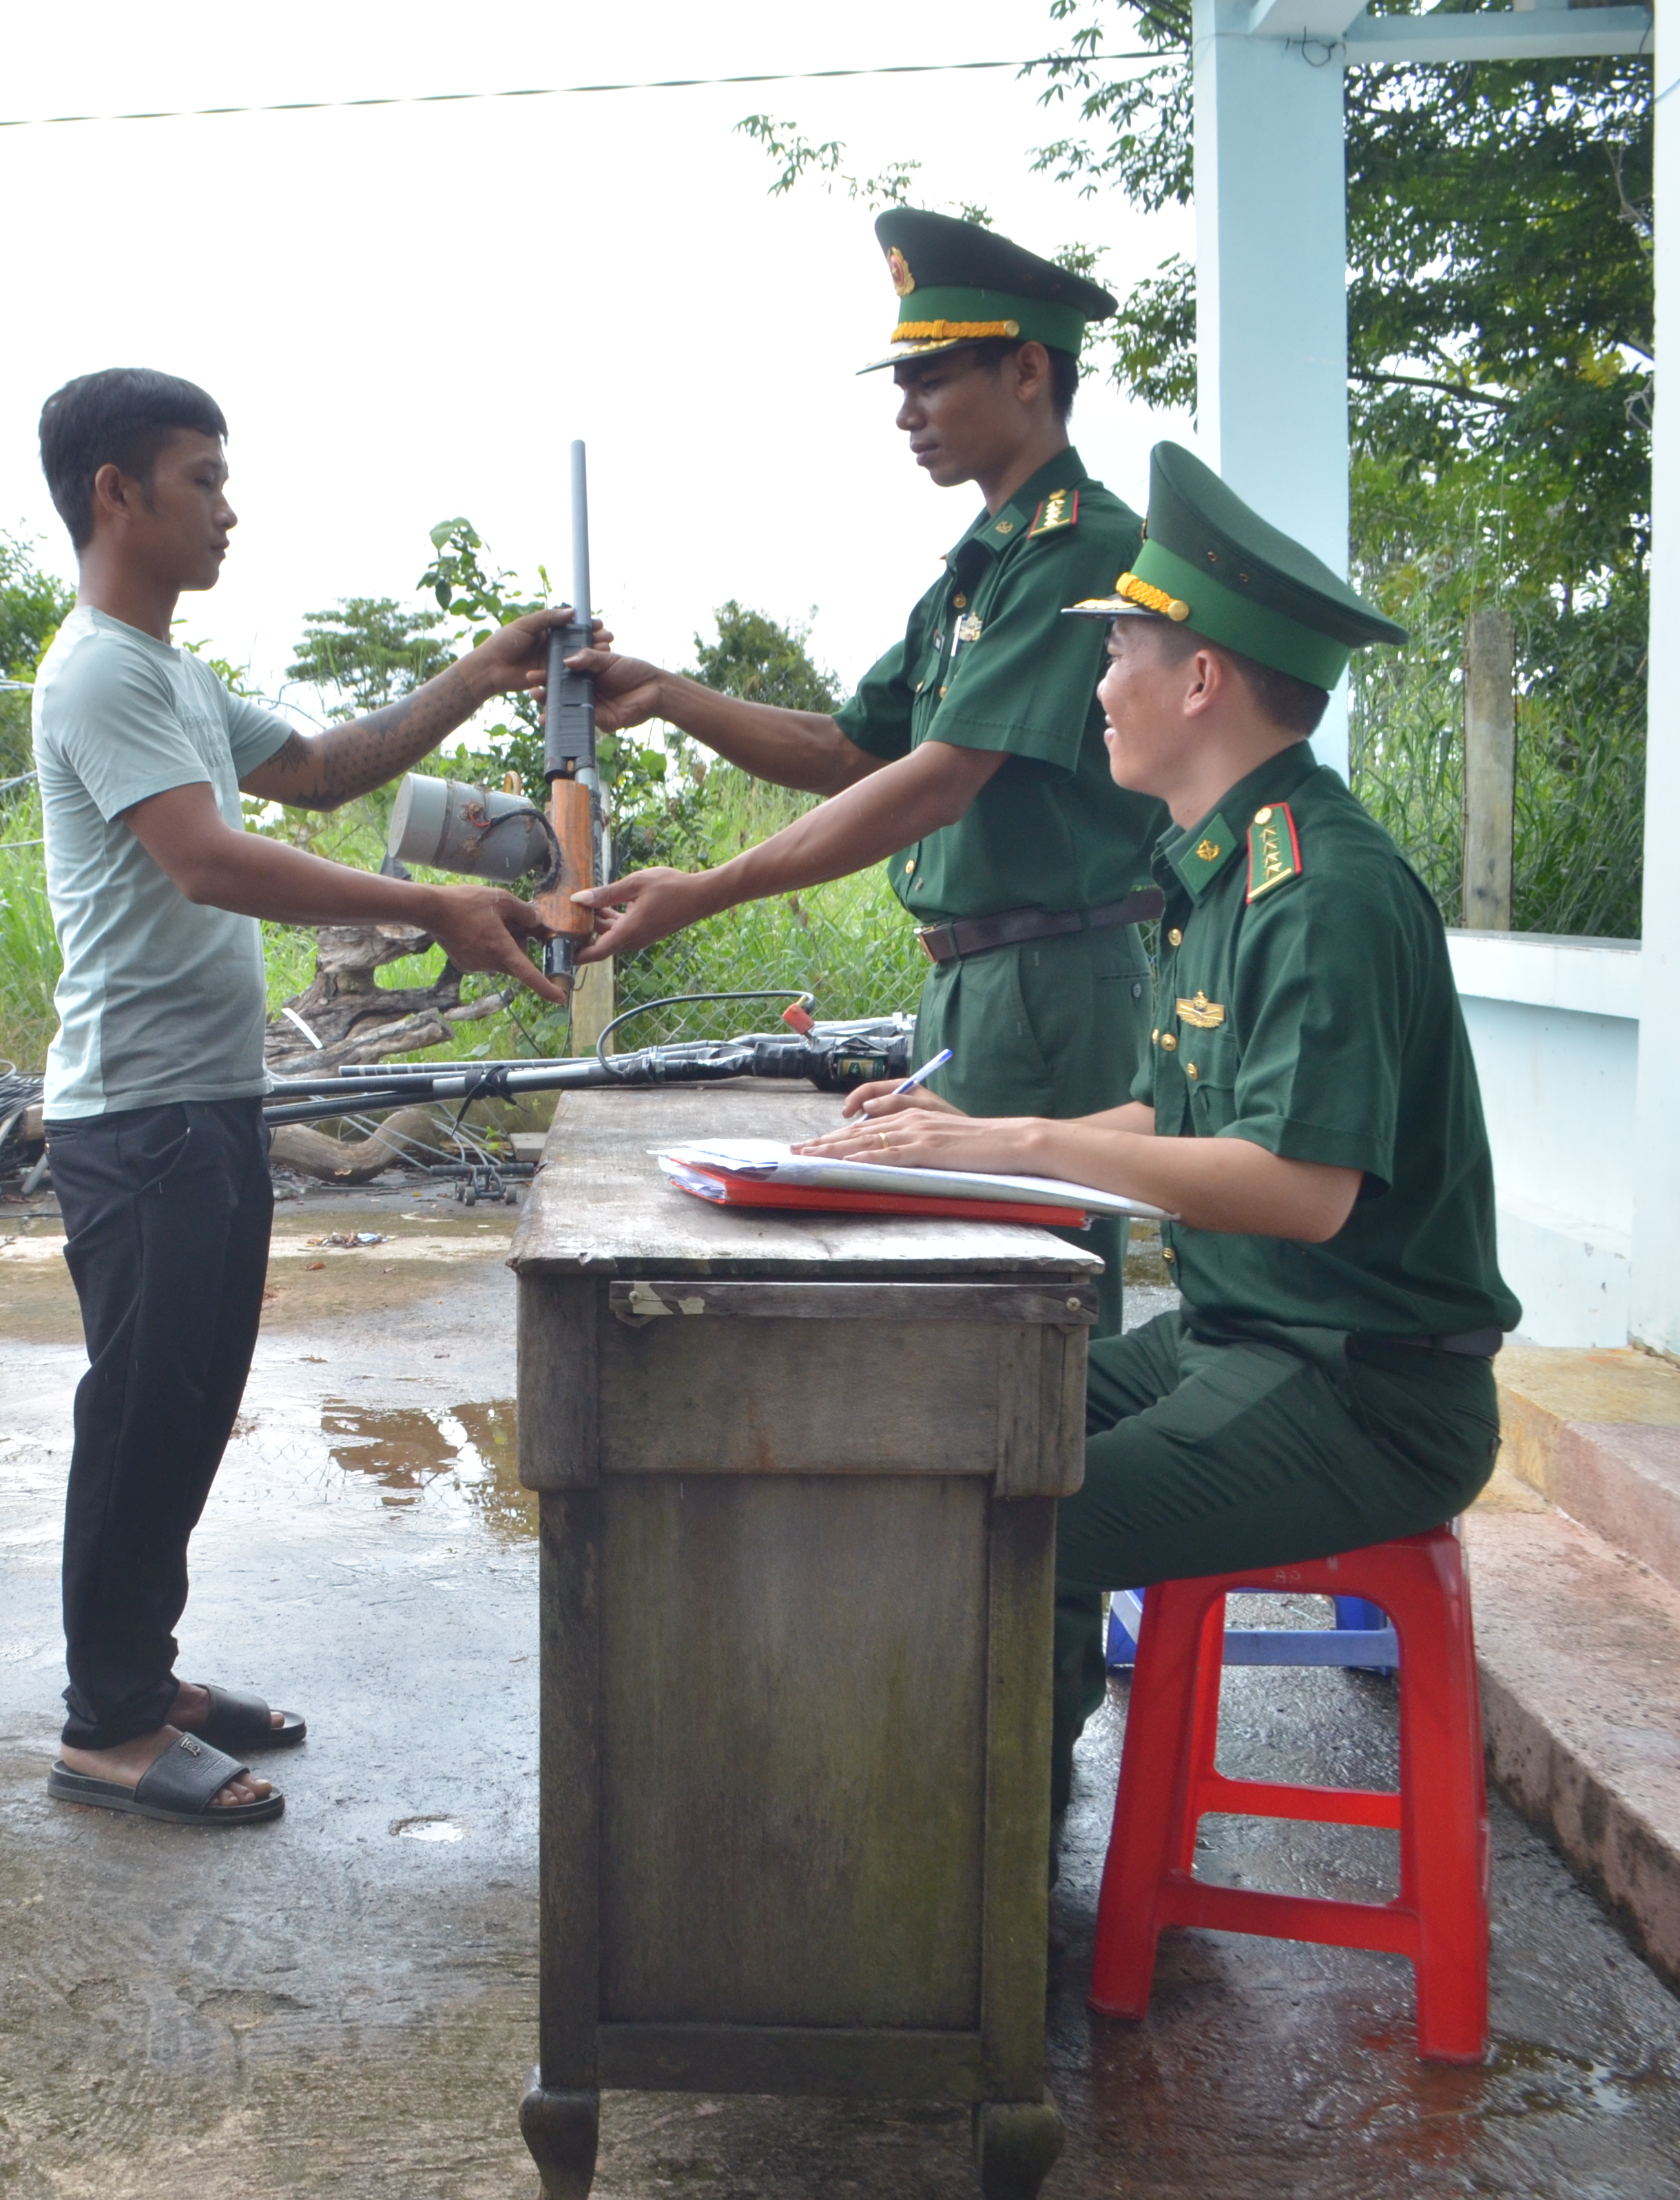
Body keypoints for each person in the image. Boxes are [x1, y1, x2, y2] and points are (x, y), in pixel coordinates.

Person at [800, 441, 1521, 1811]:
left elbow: (1297, 1189)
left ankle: (961, 1860)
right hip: (1245, 1341)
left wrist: (1014, 1148)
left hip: (1369, 1389)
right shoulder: (1218, 864)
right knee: (952, 1422)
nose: (1099, 684)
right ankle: (927, 1834)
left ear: (1201, 679)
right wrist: (977, 1124)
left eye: (1119, 647)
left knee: (1008, 1514)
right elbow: (1181, 1113)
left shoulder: (1321, 890)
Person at [30, 367, 572, 1825]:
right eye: (201, 478)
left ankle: (142, 1679)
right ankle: (104, 1727)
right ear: (116, 495)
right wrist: (434, 902)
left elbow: (325, 773)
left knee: (193, 1406)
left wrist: (476, 672)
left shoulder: (173, 675)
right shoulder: (99, 670)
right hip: (133, 1115)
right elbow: (205, 859)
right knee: (140, 1412)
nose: (226, 507)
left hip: (204, 1099)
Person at [570, 207, 1170, 1330]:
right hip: (977, 980)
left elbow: (940, 780)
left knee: (1029, 1307)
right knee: (960, 1288)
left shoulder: (1078, 549)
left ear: (1029, 370)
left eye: (933, 379)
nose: (906, 413)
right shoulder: (976, 571)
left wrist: (705, 891)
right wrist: (671, 697)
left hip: (1050, 977)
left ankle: (1072, 1507)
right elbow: (851, 750)